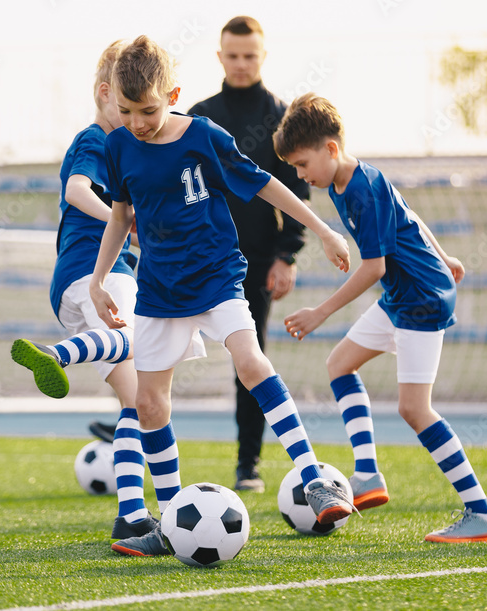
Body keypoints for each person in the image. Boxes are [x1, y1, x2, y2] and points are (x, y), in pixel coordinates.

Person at [90, 36, 355, 557]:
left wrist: (323, 230)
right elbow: (121, 215)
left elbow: (264, 184)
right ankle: (169, 526)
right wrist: (100, 280)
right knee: (148, 404)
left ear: (173, 94)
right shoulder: (118, 144)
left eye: (147, 109)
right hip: (160, 289)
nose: (137, 121)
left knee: (251, 364)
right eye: (125, 110)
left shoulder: (204, 135)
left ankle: (312, 478)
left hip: (216, 276)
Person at [273, 93, 487, 543]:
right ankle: (368, 475)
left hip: (421, 299)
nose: (301, 175)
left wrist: (321, 311)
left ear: (331, 149)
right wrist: (443, 254)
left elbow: (374, 267)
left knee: (413, 408)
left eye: (303, 165)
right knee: (339, 364)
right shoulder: (347, 181)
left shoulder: (361, 187)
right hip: (405, 295)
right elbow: (410, 213)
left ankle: (482, 514)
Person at [10, 41, 155, 543]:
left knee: (140, 403)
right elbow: (76, 191)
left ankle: (132, 515)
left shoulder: (131, 149)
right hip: (93, 272)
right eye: (128, 103)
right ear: (103, 93)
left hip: (82, 284)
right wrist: (126, 219)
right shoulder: (95, 141)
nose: (137, 118)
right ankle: (58, 355)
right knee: (135, 342)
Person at [187, 16, 309, 493]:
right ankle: (131, 447)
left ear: (262, 56)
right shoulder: (197, 116)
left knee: (249, 364)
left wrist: (287, 255)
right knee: (151, 355)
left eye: (249, 56)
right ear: (220, 57)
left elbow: (297, 192)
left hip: (254, 264)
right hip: (192, 258)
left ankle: (248, 465)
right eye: (232, 55)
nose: (241, 64)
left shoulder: (282, 116)